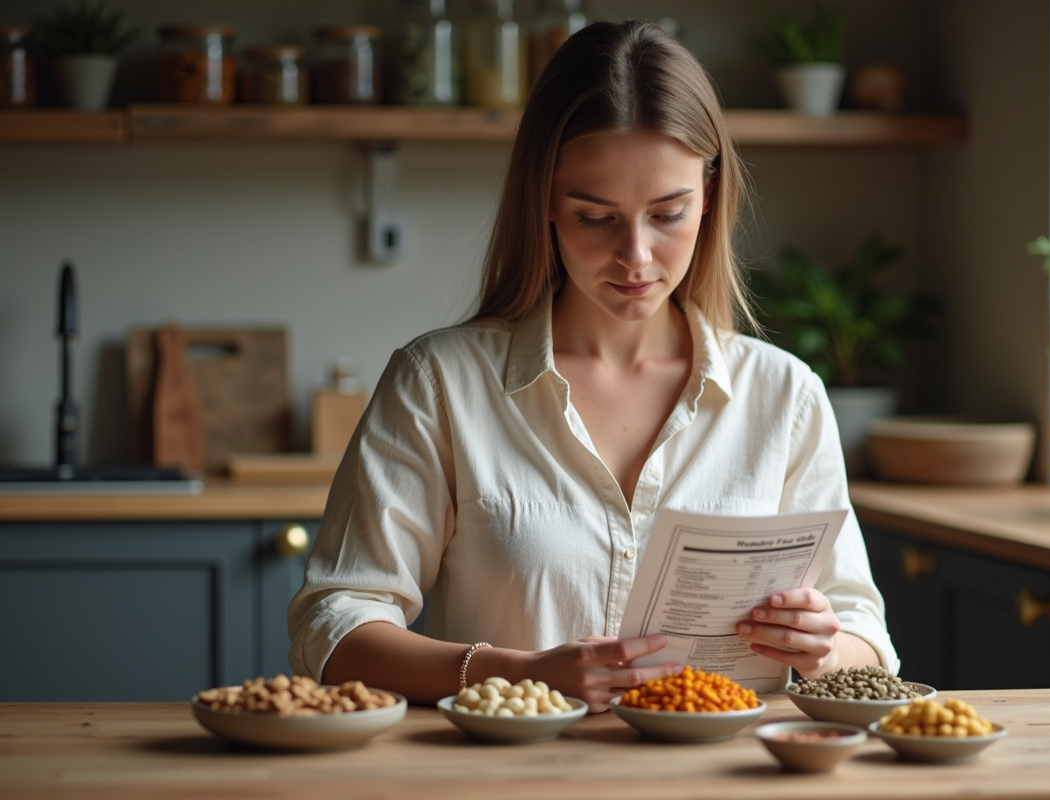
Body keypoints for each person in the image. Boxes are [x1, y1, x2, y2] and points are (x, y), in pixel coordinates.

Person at [288, 19, 898, 713]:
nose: (636, 257)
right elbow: (331, 626)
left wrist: (825, 646)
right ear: (544, 201)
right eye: (595, 217)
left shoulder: (784, 395)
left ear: (710, 194)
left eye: (668, 214)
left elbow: (866, 638)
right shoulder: (439, 383)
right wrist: (521, 674)